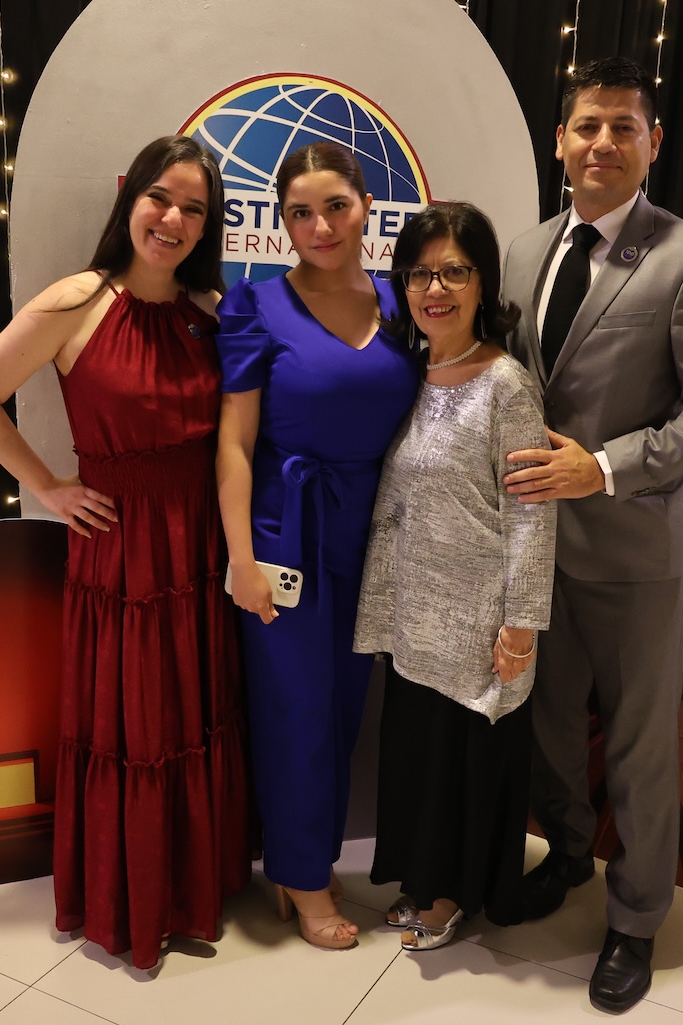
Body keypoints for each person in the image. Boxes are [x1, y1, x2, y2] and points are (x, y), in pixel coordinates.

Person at [0, 134, 250, 971]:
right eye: (161, 198)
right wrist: (48, 486)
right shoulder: (79, 299)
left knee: (195, 714)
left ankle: (194, 887)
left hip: (198, 541)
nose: (173, 219)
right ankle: (134, 900)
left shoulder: (211, 310)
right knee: (136, 725)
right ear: (131, 200)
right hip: (119, 551)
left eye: (194, 209)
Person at [499, 58, 683, 1013]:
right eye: (587, 125)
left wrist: (602, 467)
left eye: (622, 127)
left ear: (653, 143)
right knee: (551, 725)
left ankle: (638, 919)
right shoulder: (526, 250)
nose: (602, 142)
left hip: (634, 549)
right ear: (560, 141)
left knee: (640, 746)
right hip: (533, 546)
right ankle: (569, 855)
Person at [215, 142, 417, 950]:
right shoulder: (255, 305)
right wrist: (241, 559)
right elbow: (235, 444)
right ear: (282, 222)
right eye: (300, 212)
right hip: (284, 532)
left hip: (373, 531)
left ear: (367, 207)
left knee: (342, 709)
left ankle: (309, 858)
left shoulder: (405, 301)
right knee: (295, 707)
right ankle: (301, 878)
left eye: (336, 206)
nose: (320, 226)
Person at [353, 202, 556, 951]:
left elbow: (532, 515)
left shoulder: (507, 386)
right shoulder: (409, 374)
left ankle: (452, 895)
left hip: (477, 620)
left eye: (454, 272)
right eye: (419, 273)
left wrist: (521, 626)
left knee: (461, 761)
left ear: (483, 282)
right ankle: (422, 878)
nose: (434, 288)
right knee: (420, 757)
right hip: (413, 614)